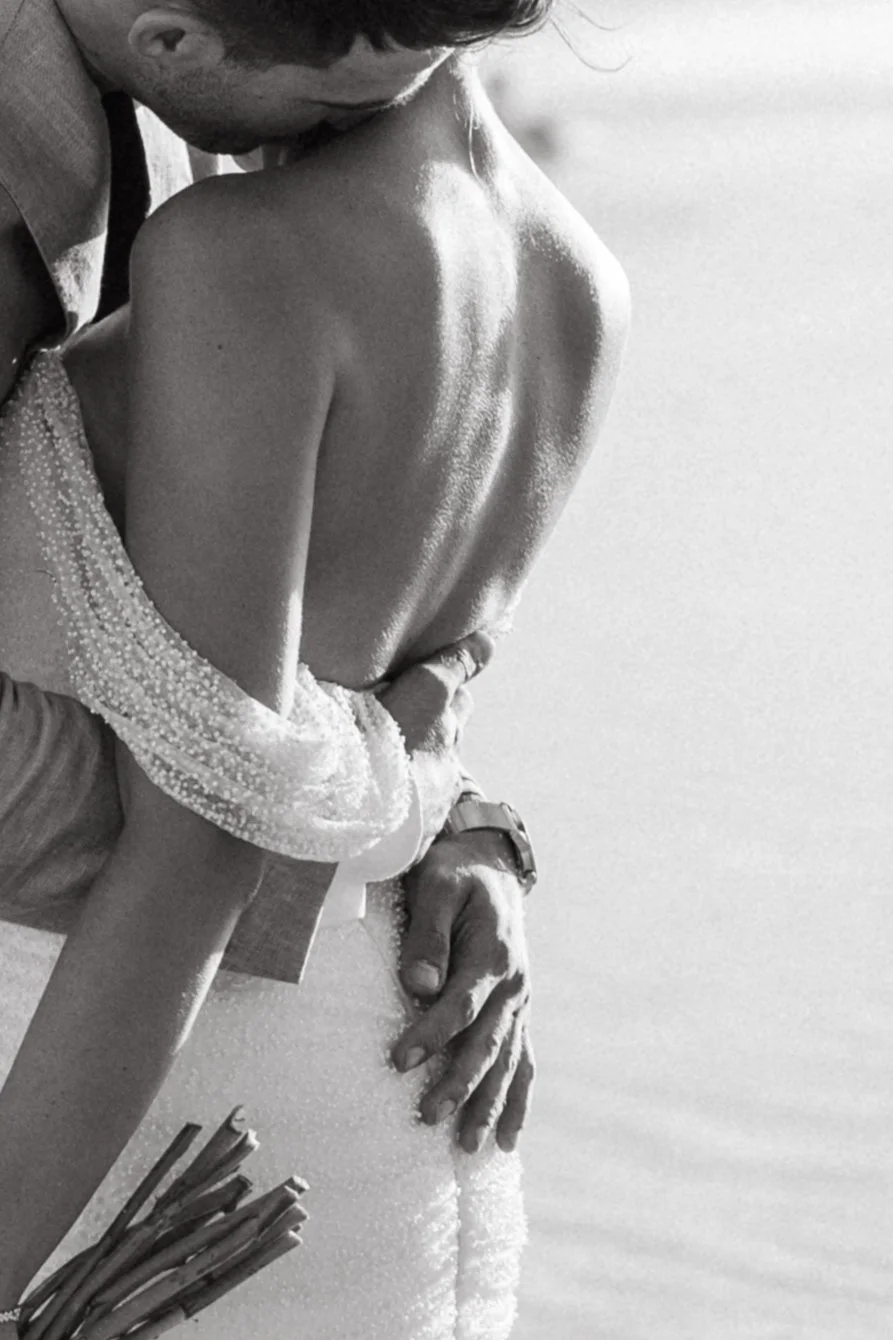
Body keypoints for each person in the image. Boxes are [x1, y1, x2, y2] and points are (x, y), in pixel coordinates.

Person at [0, 1, 630, 1336]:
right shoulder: (585, 284)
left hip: (134, 1111)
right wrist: (461, 819)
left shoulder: (237, 256)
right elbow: (385, 671)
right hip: (382, 1073)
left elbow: (201, 839)